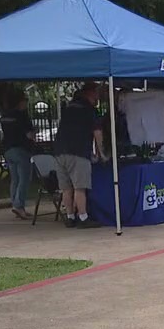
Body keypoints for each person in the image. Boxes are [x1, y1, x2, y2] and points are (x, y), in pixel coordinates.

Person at [53, 82, 105, 228]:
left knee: (66, 188)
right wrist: (101, 153)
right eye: (96, 92)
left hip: (59, 151)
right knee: (80, 187)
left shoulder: (69, 107)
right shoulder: (88, 109)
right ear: (89, 93)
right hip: (78, 151)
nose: (98, 95)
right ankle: (83, 217)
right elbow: (97, 132)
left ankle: (70, 217)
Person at [0, 89, 35, 220]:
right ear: (20, 102)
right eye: (25, 100)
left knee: (15, 179)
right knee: (25, 178)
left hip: (8, 149)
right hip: (21, 149)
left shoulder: (5, 116)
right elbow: (29, 134)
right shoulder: (22, 115)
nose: (26, 103)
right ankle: (19, 205)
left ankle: (16, 204)